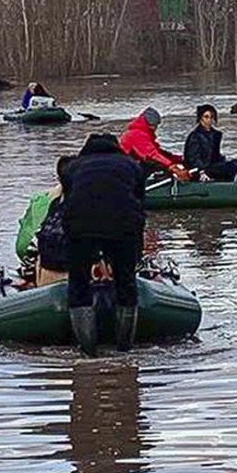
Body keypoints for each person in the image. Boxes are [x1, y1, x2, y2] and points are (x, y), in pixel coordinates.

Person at [62, 133, 146, 355]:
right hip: (123, 225)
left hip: (81, 226)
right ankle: (124, 349)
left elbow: (69, 200)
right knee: (126, 283)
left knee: (78, 284)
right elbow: (139, 203)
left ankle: (88, 351)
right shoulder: (132, 166)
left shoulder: (73, 168)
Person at [15, 156, 74, 288]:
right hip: (83, 282)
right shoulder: (94, 210)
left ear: (60, 180)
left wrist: (28, 276)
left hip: (47, 282)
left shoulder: (52, 209)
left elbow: (29, 248)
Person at [119, 107, 191, 181]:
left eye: (155, 125)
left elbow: (158, 152)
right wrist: (172, 166)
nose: (154, 128)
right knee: (157, 165)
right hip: (128, 169)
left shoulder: (144, 134)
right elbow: (152, 155)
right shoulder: (136, 134)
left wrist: (177, 159)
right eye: (152, 125)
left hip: (134, 165)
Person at [183, 104, 237, 182]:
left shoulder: (216, 135)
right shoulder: (195, 136)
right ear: (200, 118)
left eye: (211, 117)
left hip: (214, 166)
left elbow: (216, 155)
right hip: (203, 168)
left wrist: (223, 161)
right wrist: (201, 170)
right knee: (231, 166)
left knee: (236, 162)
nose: (209, 120)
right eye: (206, 117)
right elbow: (192, 158)